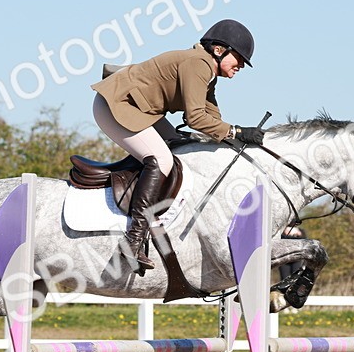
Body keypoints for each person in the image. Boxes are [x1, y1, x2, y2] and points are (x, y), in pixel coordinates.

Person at [91, 19, 265, 274]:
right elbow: (195, 119)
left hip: (139, 109)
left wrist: (236, 138)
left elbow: (212, 119)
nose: (240, 66)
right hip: (115, 106)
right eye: (238, 58)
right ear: (219, 50)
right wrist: (237, 131)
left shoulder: (207, 72)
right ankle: (133, 240)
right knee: (161, 159)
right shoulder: (198, 64)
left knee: (180, 145)